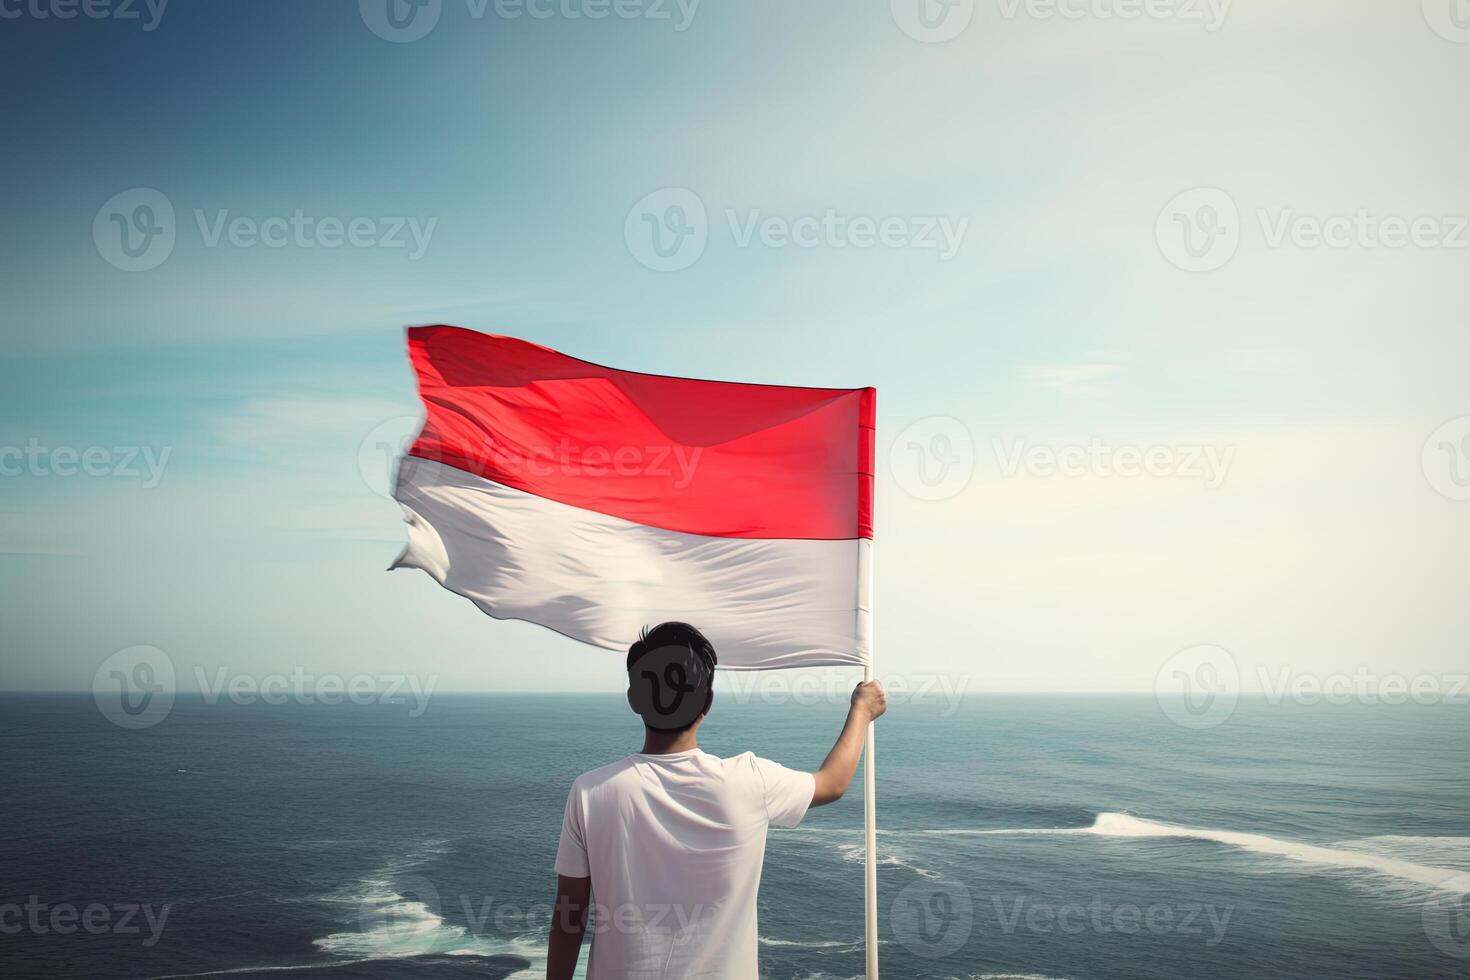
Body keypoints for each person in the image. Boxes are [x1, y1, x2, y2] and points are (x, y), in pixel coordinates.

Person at [546, 621, 887, 979]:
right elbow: (832, 783)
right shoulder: (750, 780)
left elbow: (570, 916)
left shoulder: (590, 792)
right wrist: (861, 712)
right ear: (706, 701)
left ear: (635, 699)